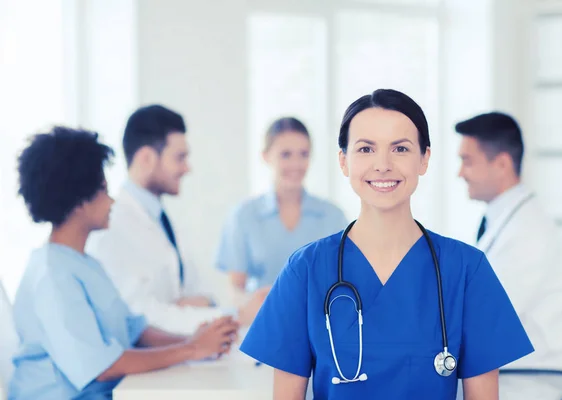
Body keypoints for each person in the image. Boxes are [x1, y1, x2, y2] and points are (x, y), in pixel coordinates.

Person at [239, 89, 534, 399]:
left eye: (400, 149)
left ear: (424, 159)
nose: (382, 165)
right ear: (344, 161)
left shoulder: (467, 270)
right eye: (366, 149)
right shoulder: (305, 270)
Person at [9, 127, 238, 400]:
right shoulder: (52, 275)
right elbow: (100, 367)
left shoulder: (85, 263)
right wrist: (190, 350)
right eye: (104, 190)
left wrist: (194, 341)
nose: (112, 200)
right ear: (79, 200)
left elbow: (136, 331)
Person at [87, 105, 268, 335]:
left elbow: (198, 293)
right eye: (180, 157)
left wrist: (199, 304)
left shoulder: (160, 218)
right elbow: (138, 316)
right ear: (146, 158)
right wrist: (236, 316)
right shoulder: (112, 225)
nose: (187, 168)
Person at [455, 111, 562, 398]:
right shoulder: (509, 221)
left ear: (501, 164)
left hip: (533, 381)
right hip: (516, 371)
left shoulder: (529, 235)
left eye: (467, 161)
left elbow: (484, 318)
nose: (460, 173)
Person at [215, 117, 347, 295]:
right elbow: (235, 290)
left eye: (303, 154)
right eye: (286, 154)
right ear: (266, 156)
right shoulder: (244, 215)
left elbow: (346, 279)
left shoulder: (332, 216)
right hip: (263, 318)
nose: (296, 164)